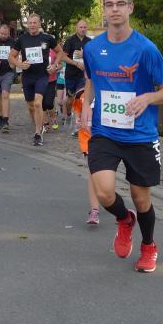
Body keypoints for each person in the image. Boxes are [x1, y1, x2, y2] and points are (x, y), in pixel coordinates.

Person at [80, 0, 163, 273]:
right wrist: (86, 103)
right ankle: (124, 219)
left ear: (130, 8)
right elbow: (91, 79)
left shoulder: (146, 49)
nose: (115, 9)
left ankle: (148, 245)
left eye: (120, 4)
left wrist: (147, 98)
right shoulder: (92, 48)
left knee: (141, 198)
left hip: (140, 134)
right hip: (105, 131)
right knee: (104, 192)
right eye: (109, 4)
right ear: (103, 10)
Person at [8, 13, 61, 146]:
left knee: (38, 103)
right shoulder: (21, 39)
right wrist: (20, 64)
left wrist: (54, 65)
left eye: (34, 23)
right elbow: (11, 57)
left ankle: (38, 132)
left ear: (39, 24)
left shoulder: (47, 38)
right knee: (31, 106)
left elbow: (60, 52)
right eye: (30, 23)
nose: (32, 25)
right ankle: (38, 125)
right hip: (27, 77)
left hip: (42, 75)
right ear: (27, 25)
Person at [73, 82, 100, 225]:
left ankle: (107, 195)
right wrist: (78, 121)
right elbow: (77, 112)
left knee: (103, 178)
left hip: (107, 138)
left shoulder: (108, 89)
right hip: (88, 139)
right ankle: (94, 210)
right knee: (92, 172)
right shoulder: (80, 94)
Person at [62, 20, 92, 135]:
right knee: (70, 100)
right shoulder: (70, 41)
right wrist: (76, 63)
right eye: (81, 27)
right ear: (76, 28)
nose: (83, 29)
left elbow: (94, 57)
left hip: (83, 76)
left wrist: (85, 56)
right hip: (71, 74)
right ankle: (68, 114)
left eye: (85, 27)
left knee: (80, 98)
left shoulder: (89, 42)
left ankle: (77, 125)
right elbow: (63, 57)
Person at [42, 46, 60, 132]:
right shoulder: (36, 50)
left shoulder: (53, 51)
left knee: (49, 102)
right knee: (42, 103)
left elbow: (60, 65)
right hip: (39, 80)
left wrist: (54, 68)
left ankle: (53, 117)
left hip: (51, 80)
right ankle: (45, 122)